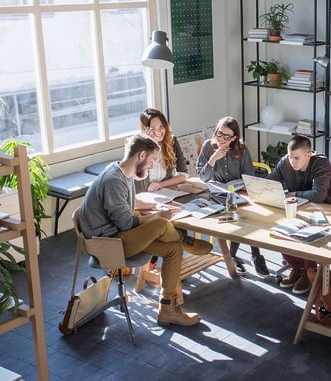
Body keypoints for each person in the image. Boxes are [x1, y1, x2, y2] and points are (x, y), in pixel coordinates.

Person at [79, 133, 213, 327]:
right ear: (141, 155)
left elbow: (128, 206)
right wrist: (157, 217)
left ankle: (168, 308)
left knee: (173, 249)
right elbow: (126, 224)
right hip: (107, 245)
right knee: (160, 225)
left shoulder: (122, 173)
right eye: (151, 160)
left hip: (116, 236)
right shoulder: (113, 180)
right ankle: (185, 241)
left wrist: (157, 210)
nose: (152, 166)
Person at [196, 116, 269, 276]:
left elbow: (249, 177)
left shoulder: (242, 150)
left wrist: (241, 186)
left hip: (240, 193)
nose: (221, 139)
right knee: (234, 214)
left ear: (234, 137)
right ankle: (240, 255)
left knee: (245, 215)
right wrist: (213, 158)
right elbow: (202, 177)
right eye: (219, 134)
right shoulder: (209, 146)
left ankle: (247, 255)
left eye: (226, 136)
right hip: (217, 195)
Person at [268, 135, 331, 294]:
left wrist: (292, 193)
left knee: (305, 233)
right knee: (280, 229)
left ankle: (309, 271)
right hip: (298, 208)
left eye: (297, 158)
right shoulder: (286, 161)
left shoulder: (320, 162)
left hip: (325, 210)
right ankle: (296, 268)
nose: (292, 161)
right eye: (290, 157)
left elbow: (319, 195)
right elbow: (271, 182)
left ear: (308, 154)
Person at [136, 108, 189, 275]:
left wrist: (161, 184)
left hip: (166, 194)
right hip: (144, 201)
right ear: (145, 129)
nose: (159, 132)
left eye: (162, 127)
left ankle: (174, 257)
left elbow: (184, 175)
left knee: (182, 215)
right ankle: (161, 258)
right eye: (153, 128)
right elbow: (136, 181)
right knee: (165, 223)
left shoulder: (171, 142)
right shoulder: (138, 148)